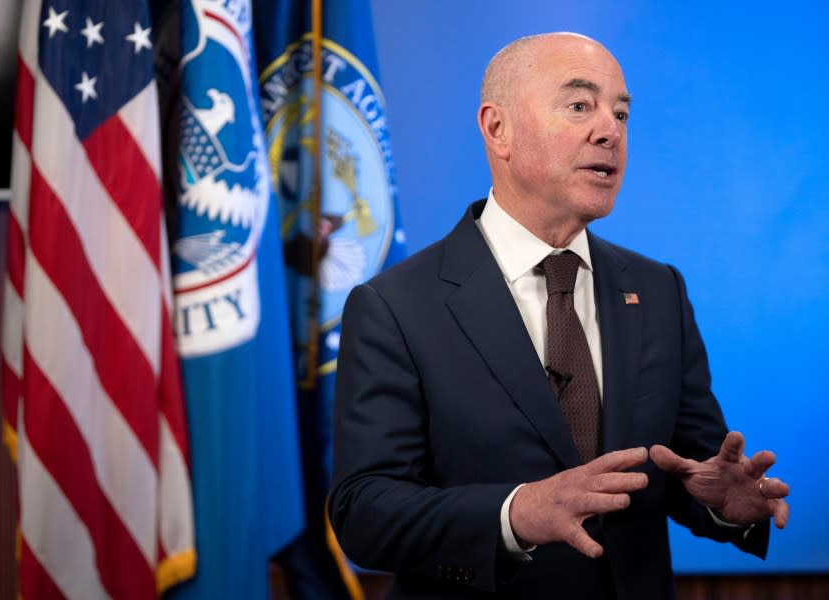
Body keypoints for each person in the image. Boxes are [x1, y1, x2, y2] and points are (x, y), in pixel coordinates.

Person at [327, 32, 790, 599]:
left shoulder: (658, 289)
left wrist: (723, 507)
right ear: (498, 129)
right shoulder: (394, 306)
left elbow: (688, 468)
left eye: (621, 112)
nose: (610, 130)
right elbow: (364, 510)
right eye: (580, 105)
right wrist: (516, 512)